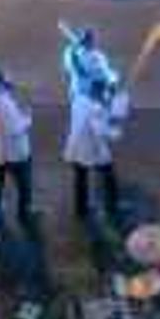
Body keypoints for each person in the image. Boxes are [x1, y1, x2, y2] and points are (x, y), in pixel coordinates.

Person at [0, 70, 35, 226]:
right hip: (10, 151)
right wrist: (27, 119)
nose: (11, 85)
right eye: (8, 82)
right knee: (24, 182)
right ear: (0, 84)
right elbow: (14, 130)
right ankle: (25, 211)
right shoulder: (4, 102)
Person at [63, 76, 122, 219]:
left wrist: (109, 99)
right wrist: (116, 132)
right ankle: (112, 205)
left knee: (80, 178)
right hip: (93, 149)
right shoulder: (96, 108)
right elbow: (101, 131)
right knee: (109, 175)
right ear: (99, 92)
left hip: (75, 147)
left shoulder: (79, 101)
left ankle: (80, 209)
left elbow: (101, 103)